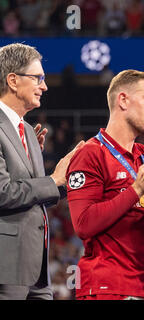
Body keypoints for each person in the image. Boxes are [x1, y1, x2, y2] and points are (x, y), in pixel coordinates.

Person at [66, 69, 144, 300]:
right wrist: (136, 190)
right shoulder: (90, 154)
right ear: (123, 100)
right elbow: (83, 224)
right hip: (106, 287)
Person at [0, 43, 84, 300]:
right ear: (13, 80)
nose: (44, 86)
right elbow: (3, 194)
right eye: (38, 78)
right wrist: (52, 179)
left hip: (37, 269)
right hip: (6, 269)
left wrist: (66, 178)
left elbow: (39, 196)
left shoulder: (26, 130)